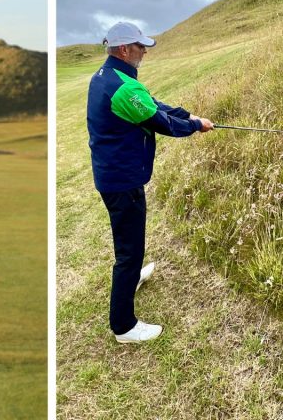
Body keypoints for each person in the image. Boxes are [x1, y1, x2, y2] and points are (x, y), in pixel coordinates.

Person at [86, 21, 213, 344]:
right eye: (141, 46)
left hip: (114, 174)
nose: (145, 51)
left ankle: (132, 279)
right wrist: (195, 125)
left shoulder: (110, 76)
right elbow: (161, 123)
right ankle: (124, 326)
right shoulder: (123, 87)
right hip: (121, 179)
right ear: (125, 49)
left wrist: (189, 115)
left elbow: (153, 104)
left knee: (129, 243)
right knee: (129, 250)